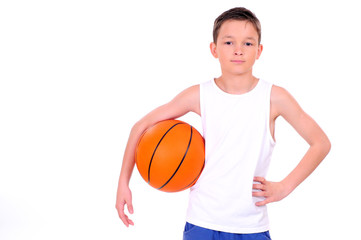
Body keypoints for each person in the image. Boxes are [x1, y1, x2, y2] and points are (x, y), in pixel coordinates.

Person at [116, 7, 331, 240]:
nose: (238, 50)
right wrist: (123, 183)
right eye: (229, 43)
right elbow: (140, 127)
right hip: (201, 221)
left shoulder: (274, 97)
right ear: (214, 49)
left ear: (259, 51)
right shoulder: (199, 95)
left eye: (248, 44)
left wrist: (285, 187)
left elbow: (320, 143)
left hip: (252, 227)